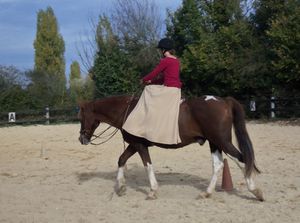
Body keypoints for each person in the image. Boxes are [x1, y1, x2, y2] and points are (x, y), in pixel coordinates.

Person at [122, 38, 182, 144]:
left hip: (169, 89)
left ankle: (146, 121)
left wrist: (144, 80)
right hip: (175, 90)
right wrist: (152, 81)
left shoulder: (166, 60)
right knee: (150, 87)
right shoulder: (176, 60)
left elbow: (155, 72)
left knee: (148, 89)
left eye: (160, 50)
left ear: (164, 50)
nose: (160, 52)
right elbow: (164, 78)